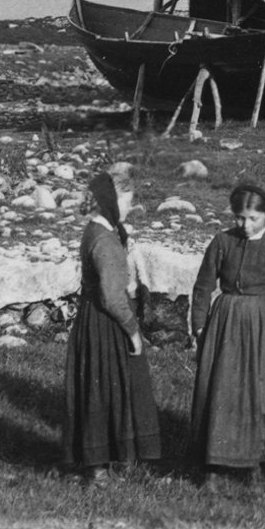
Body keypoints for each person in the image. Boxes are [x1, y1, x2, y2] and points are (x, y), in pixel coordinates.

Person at [186, 182, 265, 479]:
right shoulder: (222, 242)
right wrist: (199, 329)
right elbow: (202, 287)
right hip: (224, 323)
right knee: (220, 387)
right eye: (240, 218)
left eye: (253, 219)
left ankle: (255, 461)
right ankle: (213, 461)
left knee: (259, 391)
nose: (246, 225)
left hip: (262, 326)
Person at [64, 165, 162, 479]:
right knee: (107, 388)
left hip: (93, 317)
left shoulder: (97, 230)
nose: (130, 208)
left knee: (105, 387)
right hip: (105, 322)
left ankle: (108, 460)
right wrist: (132, 331)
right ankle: (101, 467)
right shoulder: (104, 240)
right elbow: (110, 296)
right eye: (127, 201)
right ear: (111, 200)